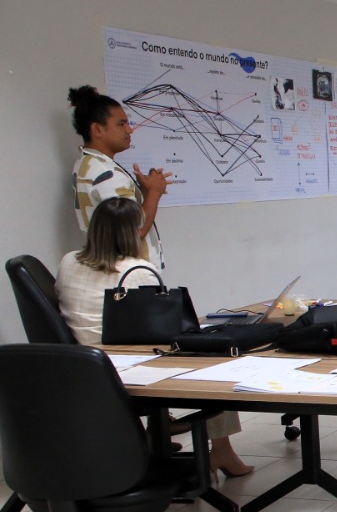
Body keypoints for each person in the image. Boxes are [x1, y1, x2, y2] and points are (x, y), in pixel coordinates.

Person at [56, 197, 252, 478]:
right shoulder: (138, 271)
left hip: (84, 366)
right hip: (129, 365)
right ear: (134, 232)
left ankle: (154, 439)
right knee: (216, 362)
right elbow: (159, 328)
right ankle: (222, 450)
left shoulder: (68, 261)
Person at [68, 85, 170, 270]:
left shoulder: (86, 163)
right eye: (121, 124)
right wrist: (154, 194)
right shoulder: (107, 175)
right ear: (97, 129)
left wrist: (145, 193)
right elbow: (132, 235)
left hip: (111, 271)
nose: (129, 130)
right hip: (129, 276)